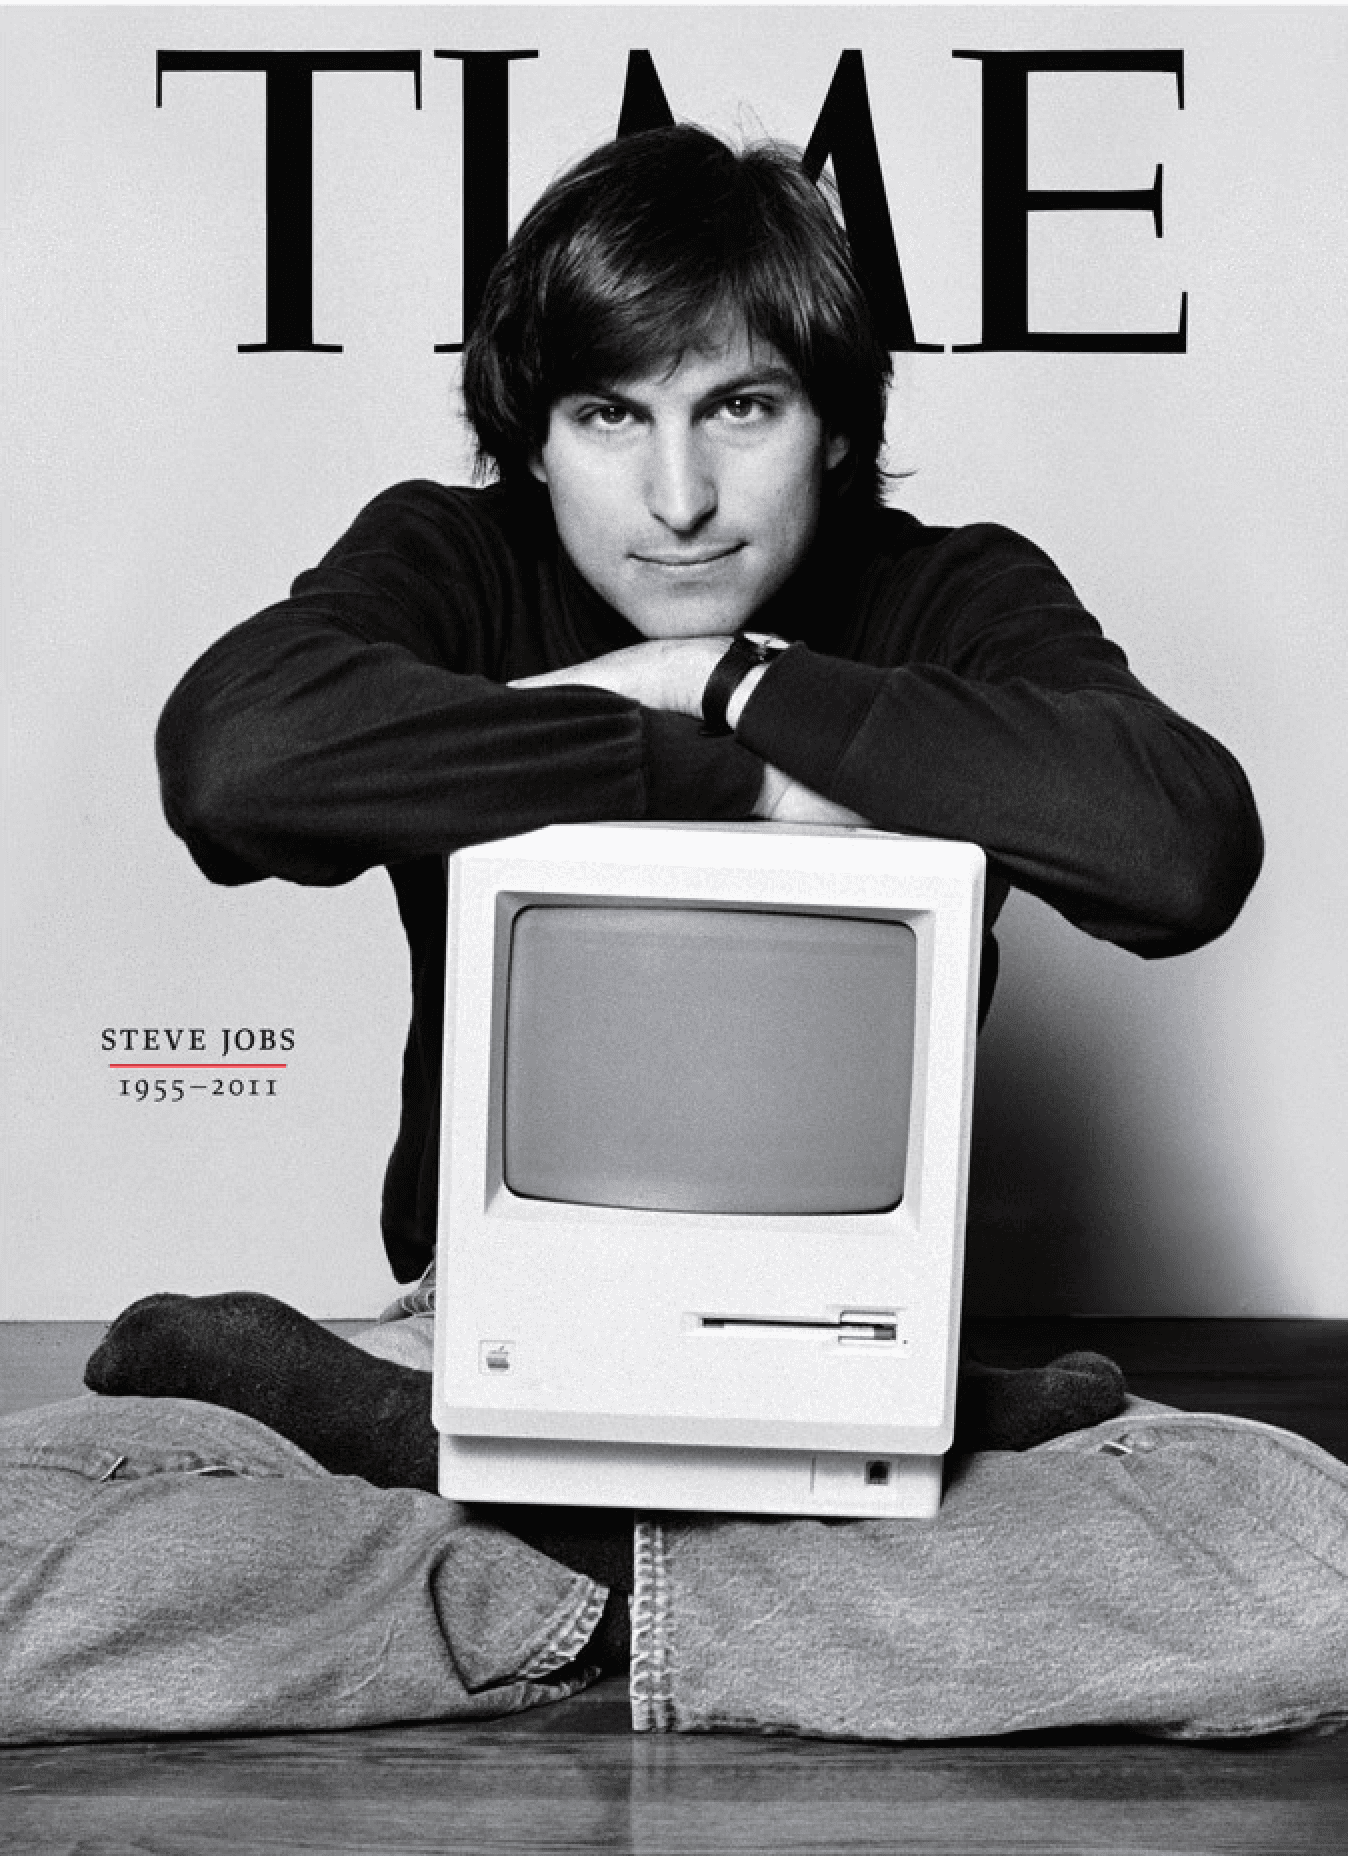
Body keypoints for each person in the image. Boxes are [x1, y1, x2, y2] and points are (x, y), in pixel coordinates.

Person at [6, 128, 1319, 1749]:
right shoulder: (457, 561)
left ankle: (536, 1579)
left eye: (740, 410)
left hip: (852, 1360)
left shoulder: (947, 596)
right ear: (533, 441)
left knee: (1311, 1571)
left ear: (838, 426)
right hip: (479, 1329)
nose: (679, 499)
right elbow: (236, 764)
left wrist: (732, 678)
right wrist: (728, 774)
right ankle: (722, 1596)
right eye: (610, 416)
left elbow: (1179, 850)